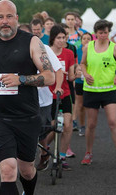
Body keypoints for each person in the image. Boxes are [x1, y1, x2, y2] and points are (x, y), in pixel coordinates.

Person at [0, 0, 55, 195]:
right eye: (0, 17)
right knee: (7, 170)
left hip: (27, 116)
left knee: (27, 169)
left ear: (16, 18)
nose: (5, 21)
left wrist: (21, 79)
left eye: (9, 16)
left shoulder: (32, 42)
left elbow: (50, 77)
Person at [80, 19, 116, 167]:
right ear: (96, 34)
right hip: (91, 90)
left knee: (113, 122)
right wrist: (85, 73)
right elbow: (82, 63)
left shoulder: (114, 48)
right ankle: (88, 153)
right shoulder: (88, 47)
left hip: (109, 90)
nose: (103, 35)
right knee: (92, 124)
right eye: (100, 33)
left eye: (106, 33)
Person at [17, 24, 63, 172]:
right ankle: (23, 160)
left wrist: (58, 86)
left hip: (43, 99)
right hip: (21, 98)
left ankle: (44, 153)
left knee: (42, 129)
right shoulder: (13, 51)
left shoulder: (44, 48)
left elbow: (58, 70)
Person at [46, 25, 75, 170]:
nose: (61, 40)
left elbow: (71, 76)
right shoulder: (46, 53)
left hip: (65, 92)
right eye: (59, 38)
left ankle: (62, 156)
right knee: (53, 126)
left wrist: (77, 74)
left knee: (67, 125)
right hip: (49, 94)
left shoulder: (69, 53)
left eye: (64, 38)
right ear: (53, 38)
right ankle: (45, 149)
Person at [74, 32, 93, 137]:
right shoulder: (77, 51)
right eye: (84, 38)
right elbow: (73, 64)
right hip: (79, 81)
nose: (86, 40)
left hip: (90, 80)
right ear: (81, 41)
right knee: (80, 105)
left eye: (88, 38)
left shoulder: (94, 51)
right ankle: (82, 126)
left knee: (89, 106)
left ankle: (90, 126)